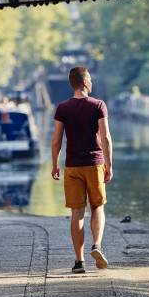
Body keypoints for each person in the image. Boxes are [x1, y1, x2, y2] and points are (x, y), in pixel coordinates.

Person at [51, 66, 113, 274]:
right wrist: (109, 165)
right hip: (95, 164)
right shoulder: (98, 105)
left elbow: (56, 140)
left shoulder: (63, 108)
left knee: (77, 213)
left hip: (72, 166)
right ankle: (97, 245)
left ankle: (79, 262)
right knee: (97, 207)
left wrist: (54, 164)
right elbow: (105, 137)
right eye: (91, 80)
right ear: (86, 83)